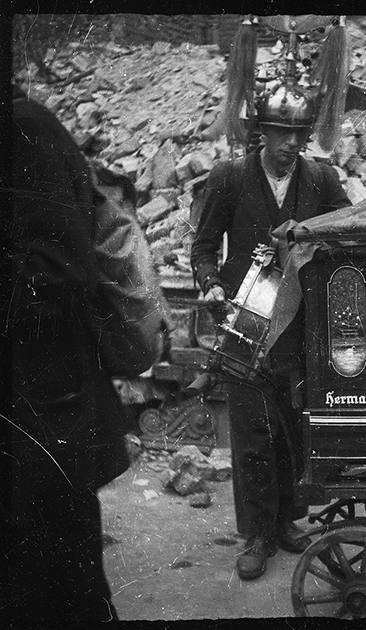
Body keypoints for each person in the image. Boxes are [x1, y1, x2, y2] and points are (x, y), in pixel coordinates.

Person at [190, 83, 351, 580]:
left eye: (298, 133)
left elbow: (346, 233)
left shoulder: (322, 179)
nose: (290, 143)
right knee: (253, 434)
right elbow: (203, 246)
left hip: (303, 327)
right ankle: (257, 533)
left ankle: (286, 522)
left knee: (293, 430)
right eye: (281, 133)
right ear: (263, 132)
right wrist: (210, 282)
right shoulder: (229, 177)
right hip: (245, 328)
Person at [5, 85, 131, 622]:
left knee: (57, 593)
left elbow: (60, 269)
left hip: (42, 414)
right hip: (29, 412)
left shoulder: (21, 131)